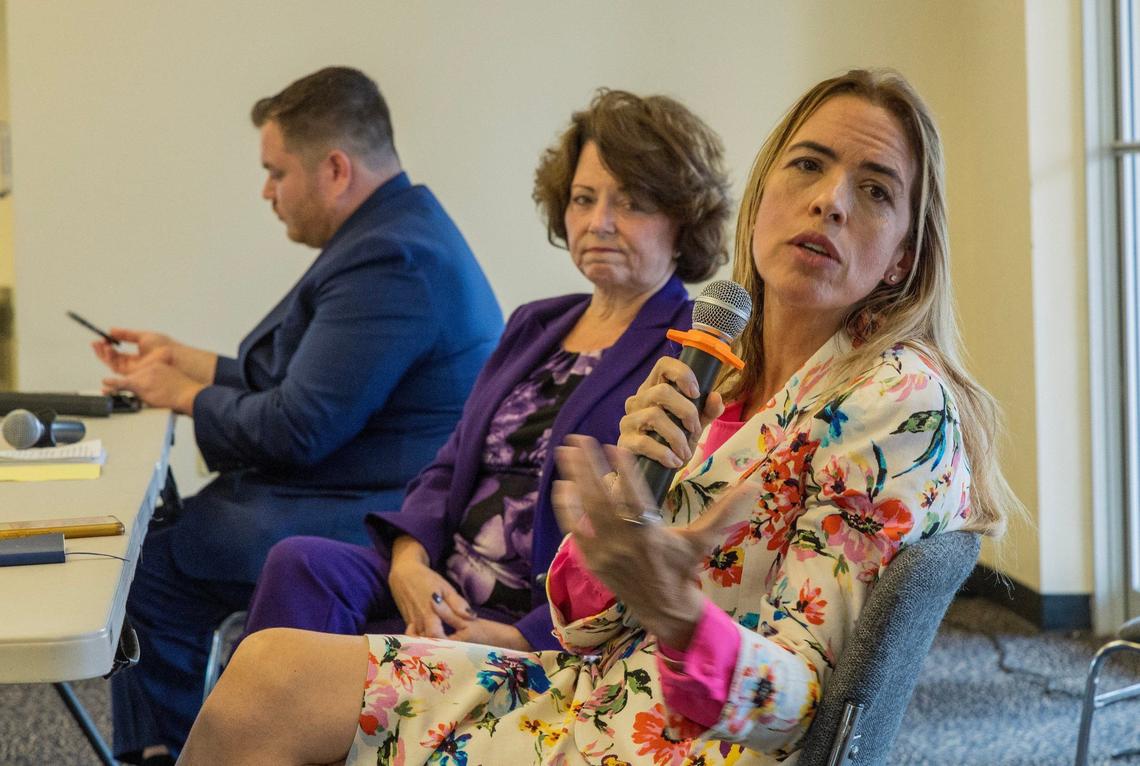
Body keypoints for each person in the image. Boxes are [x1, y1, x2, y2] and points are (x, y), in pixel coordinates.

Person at [175, 69, 1022, 766]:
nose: (831, 201)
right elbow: (592, 615)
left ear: (902, 255)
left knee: (272, 696)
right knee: (267, 671)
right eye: (807, 166)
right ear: (763, 198)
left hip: (677, 741)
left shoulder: (894, 403)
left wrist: (676, 611)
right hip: (594, 685)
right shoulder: (721, 373)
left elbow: (808, 716)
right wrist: (618, 521)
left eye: (874, 190)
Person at [94, 67, 502, 766]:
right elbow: (301, 379)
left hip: (382, 511)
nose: (266, 192)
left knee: (148, 566)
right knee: (159, 540)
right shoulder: (393, 230)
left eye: (275, 172)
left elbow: (298, 426)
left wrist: (182, 394)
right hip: (347, 482)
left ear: (335, 169)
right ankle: (177, 743)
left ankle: (194, 748)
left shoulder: (392, 258)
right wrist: (184, 361)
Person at [238, 88, 732, 655]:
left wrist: (521, 635)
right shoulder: (536, 323)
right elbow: (449, 464)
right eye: (583, 198)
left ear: (683, 219)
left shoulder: (692, 349)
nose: (598, 222)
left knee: (316, 674)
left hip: (531, 617)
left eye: (630, 203)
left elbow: (660, 529)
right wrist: (409, 560)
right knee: (298, 563)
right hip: (442, 579)